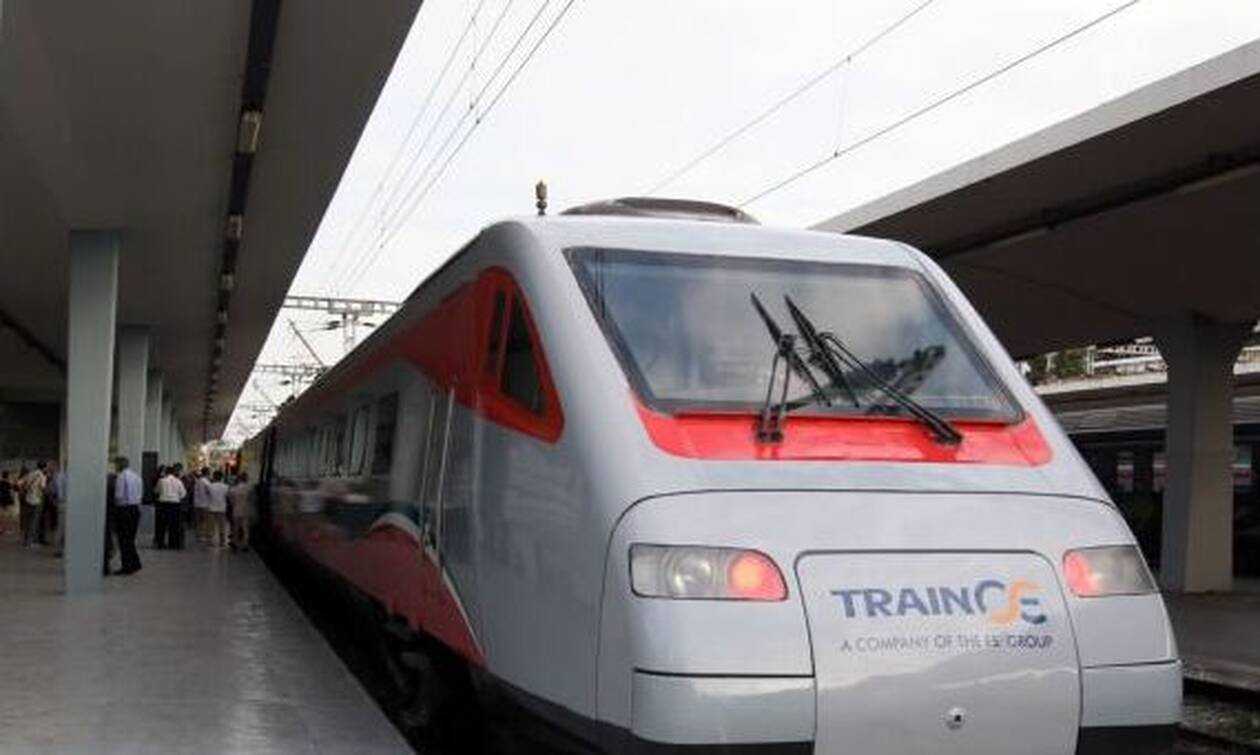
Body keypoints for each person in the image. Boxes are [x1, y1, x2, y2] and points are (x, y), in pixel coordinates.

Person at [113, 457, 143, 575]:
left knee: (124, 540)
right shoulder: (136, 476)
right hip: (135, 509)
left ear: (119, 465)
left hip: (124, 510)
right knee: (130, 539)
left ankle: (127, 566)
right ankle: (135, 563)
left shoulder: (121, 477)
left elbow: (118, 495)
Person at [154, 466, 187, 550]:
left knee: (161, 525)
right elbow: (183, 494)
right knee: (174, 525)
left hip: (163, 504)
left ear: (165, 472)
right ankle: (173, 543)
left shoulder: (161, 480)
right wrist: (177, 497)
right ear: (174, 472)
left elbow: (156, 491)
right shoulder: (178, 481)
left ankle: (160, 543)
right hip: (175, 505)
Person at [20, 462, 46, 547]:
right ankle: (30, 542)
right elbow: (42, 488)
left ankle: (25, 541)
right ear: (44, 468)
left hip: (28, 500)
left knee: (27, 521)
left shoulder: (30, 474)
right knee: (34, 522)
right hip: (37, 501)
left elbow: (20, 483)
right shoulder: (42, 476)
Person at [228, 472, 252, 552]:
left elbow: (231, 500)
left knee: (236, 527)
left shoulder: (233, 489)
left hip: (236, 510)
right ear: (246, 479)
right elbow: (251, 500)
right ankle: (245, 544)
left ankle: (235, 543)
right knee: (245, 528)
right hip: (246, 510)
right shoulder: (249, 489)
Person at [206, 471, 230, 548]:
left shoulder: (210, 486)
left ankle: (210, 541)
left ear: (214, 477)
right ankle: (222, 541)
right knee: (222, 525)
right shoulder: (226, 486)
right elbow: (227, 496)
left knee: (211, 526)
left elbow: (207, 494)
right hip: (222, 508)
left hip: (212, 507)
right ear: (221, 477)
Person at [104, 470, 117, 576]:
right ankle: (106, 566)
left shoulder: (106, 490)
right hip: (110, 519)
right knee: (108, 543)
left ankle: (105, 566)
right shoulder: (113, 490)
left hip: (106, 519)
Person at [193, 467, 212, 543]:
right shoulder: (206, 482)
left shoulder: (198, 480)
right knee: (204, 521)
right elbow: (209, 491)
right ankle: (203, 536)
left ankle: (199, 535)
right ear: (207, 473)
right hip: (205, 504)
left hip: (197, 503)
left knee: (199, 521)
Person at [0, 470, 13, 535]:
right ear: (7, 476)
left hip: (1, 499)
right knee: (8, 515)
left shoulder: (0, 482)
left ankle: (1, 528)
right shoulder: (8, 483)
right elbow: (11, 490)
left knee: (2, 515)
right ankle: (7, 529)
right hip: (7, 500)